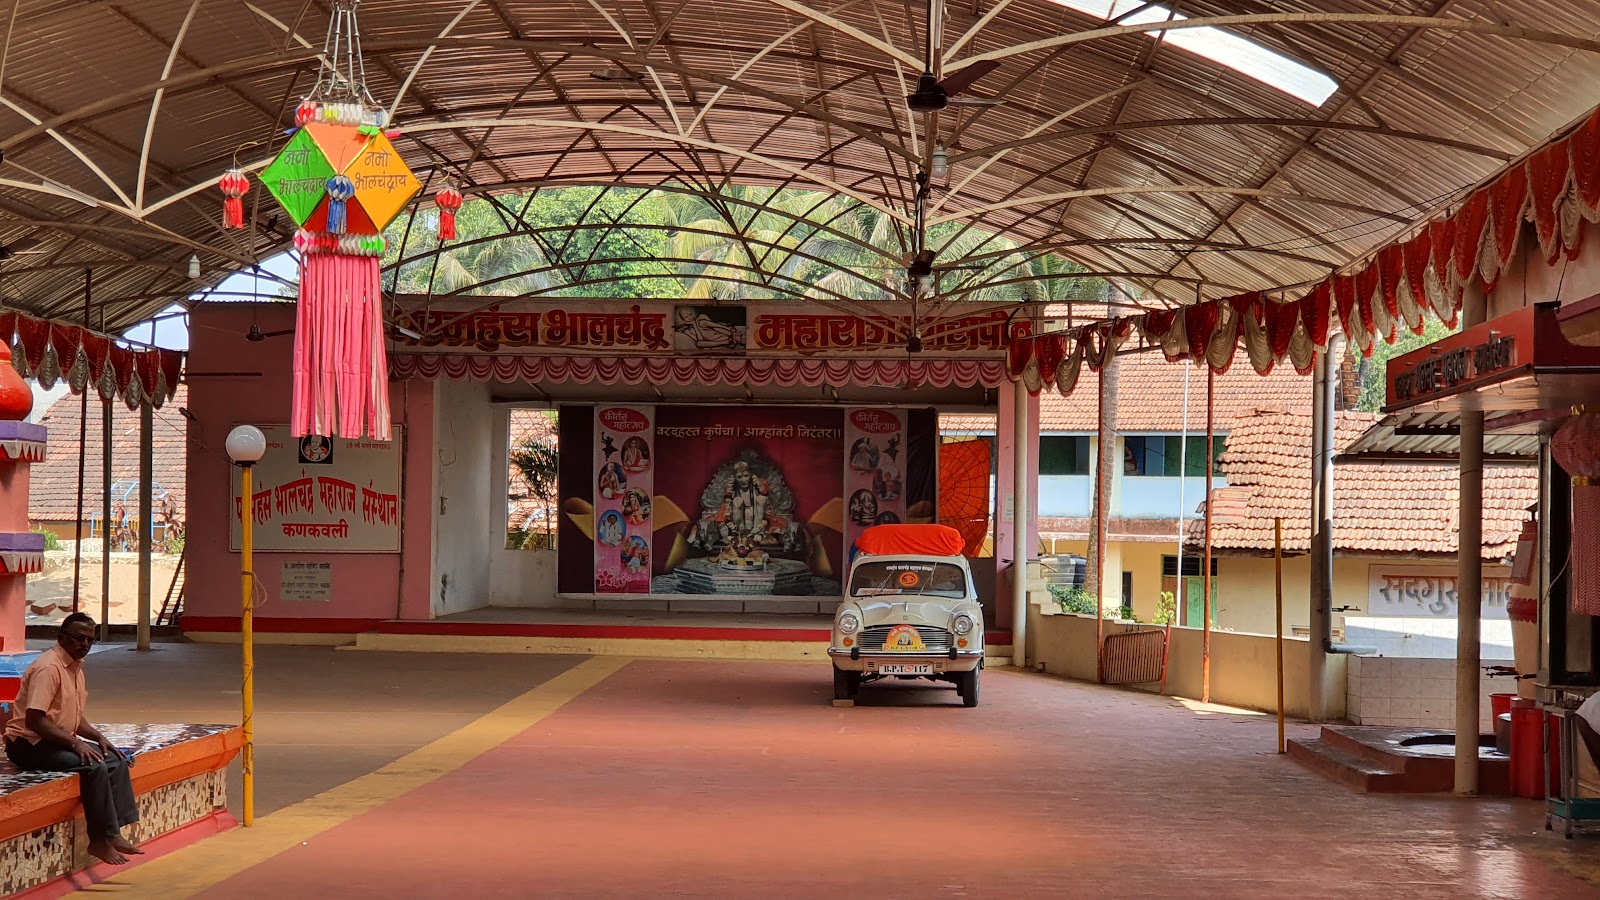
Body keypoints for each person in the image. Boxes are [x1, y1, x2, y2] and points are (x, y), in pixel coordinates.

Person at [3, 613, 142, 865]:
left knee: (115, 759)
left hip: (52, 739)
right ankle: (99, 839)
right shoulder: (48, 668)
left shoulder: (75, 667)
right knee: (94, 765)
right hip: (27, 744)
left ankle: (115, 831)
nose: (85, 644)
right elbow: (35, 720)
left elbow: (73, 716)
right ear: (62, 638)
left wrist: (98, 737)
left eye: (90, 639)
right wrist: (76, 744)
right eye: (79, 638)